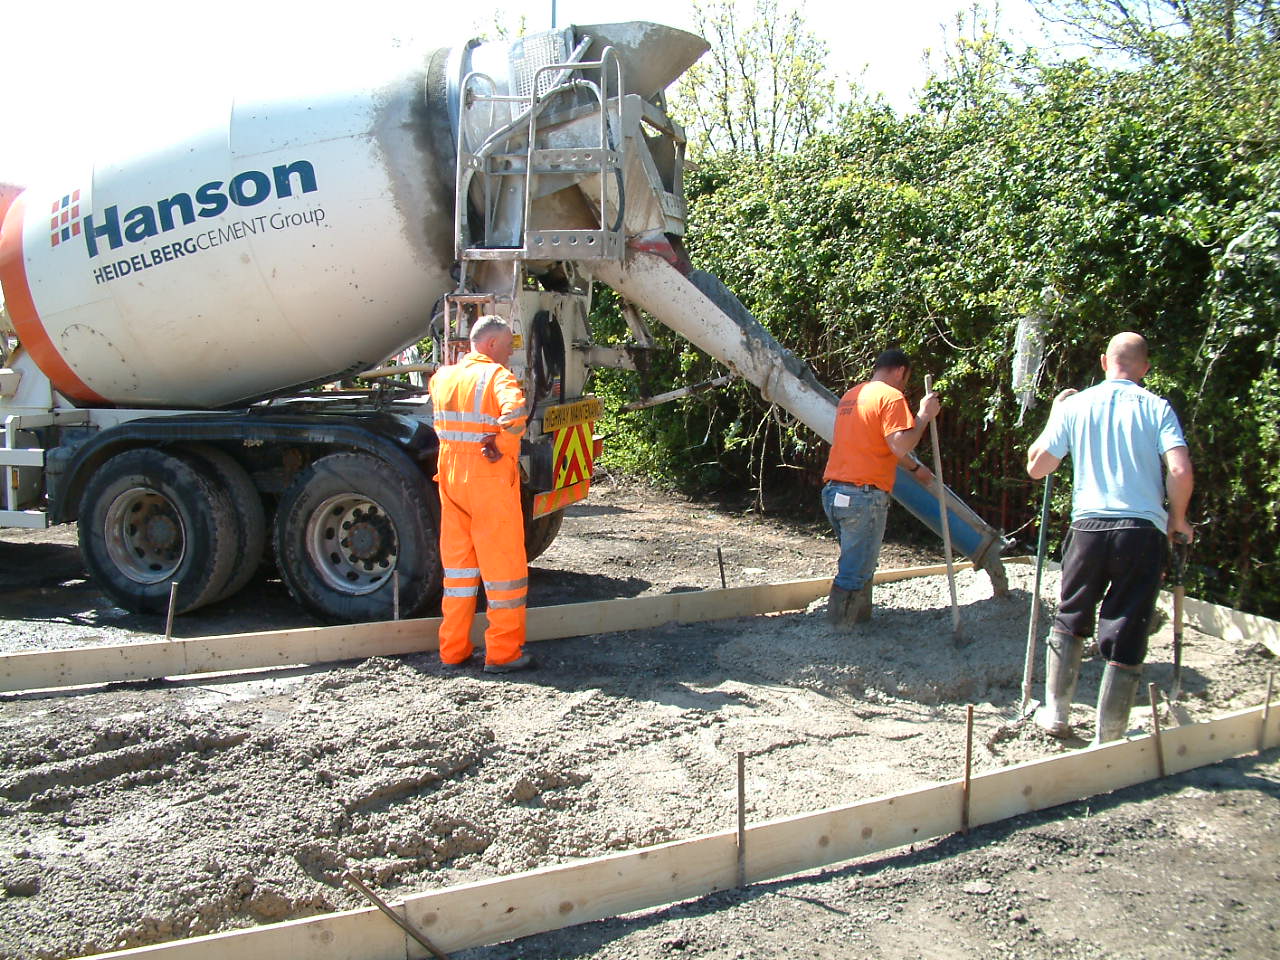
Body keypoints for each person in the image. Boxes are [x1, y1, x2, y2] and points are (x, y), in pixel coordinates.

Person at [1026, 332, 1194, 742]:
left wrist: (1054, 416)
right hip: (1140, 531)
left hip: (1088, 528)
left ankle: (1055, 714)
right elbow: (1178, 471)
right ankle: (1110, 733)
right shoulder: (1157, 408)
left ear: (1104, 362)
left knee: (1071, 615)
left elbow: (1037, 467)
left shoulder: (1077, 405)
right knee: (1128, 624)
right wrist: (1179, 518)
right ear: (1145, 368)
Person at [428, 315, 534, 673]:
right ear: (491, 344)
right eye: (507, 346)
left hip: (451, 478)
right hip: (487, 477)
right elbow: (516, 414)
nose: (509, 353)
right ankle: (503, 654)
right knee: (504, 569)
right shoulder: (498, 377)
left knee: (458, 572)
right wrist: (502, 443)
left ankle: (453, 650)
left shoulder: (442, 378)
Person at [821, 348, 940, 626]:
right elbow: (899, 444)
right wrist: (924, 415)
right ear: (901, 371)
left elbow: (875, 446)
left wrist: (914, 469)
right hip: (863, 496)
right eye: (905, 378)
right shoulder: (891, 396)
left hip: (835, 492)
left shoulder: (852, 396)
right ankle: (840, 631)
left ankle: (859, 622)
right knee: (855, 571)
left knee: (858, 563)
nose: (904, 385)